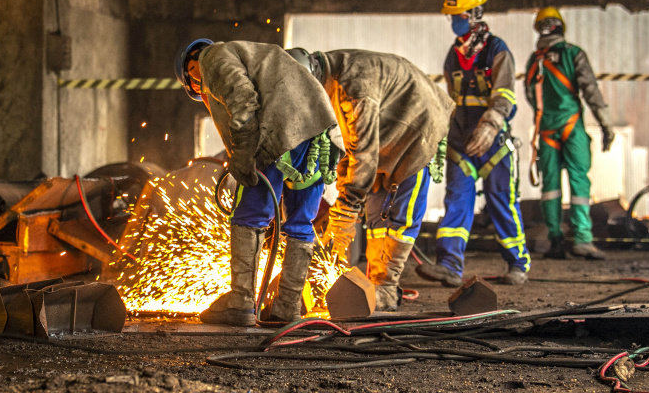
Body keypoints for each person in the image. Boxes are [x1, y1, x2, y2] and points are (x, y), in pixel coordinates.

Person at [175, 39, 340, 326]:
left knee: (249, 217)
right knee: (301, 224)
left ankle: (241, 304)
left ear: (191, 68)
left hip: (279, 130)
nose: (204, 90)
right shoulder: (247, 55)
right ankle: (287, 307)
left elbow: (242, 99)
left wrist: (243, 152)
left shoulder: (211, 57)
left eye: (198, 87)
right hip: (318, 134)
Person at [285, 48, 454, 311]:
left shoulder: (354, 88)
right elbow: (345, 148)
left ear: (311, 78)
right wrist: (345, 199)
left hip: (419, 126)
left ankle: (386, 286)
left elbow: (362, 154)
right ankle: (375, 282)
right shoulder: (327, 80)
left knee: (401, 216)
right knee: (376, 215)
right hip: (385, 131)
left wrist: (344, 215)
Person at [416, 0, 532, 287]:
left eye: (460, 15)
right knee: (457, 202)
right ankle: (450, 266)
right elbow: (452, 100)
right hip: (462, 143)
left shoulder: (498, 51)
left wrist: (491, 125)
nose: (455, 22)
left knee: (501, 202)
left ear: (476, 14)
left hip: (494, 144)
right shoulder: (453, 56)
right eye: (452, 16)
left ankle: (518, 264)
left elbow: (505, 95)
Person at [524, 7, 614, 260]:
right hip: (572, 127)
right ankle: (582, 240)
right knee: (579, 182)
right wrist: (605, 124)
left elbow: (532, 96)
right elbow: (590, 90)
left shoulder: (534, 60)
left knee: (550, 187)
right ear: (561, 27)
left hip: (546, 130)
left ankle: (556, 241)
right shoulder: (574, 54)